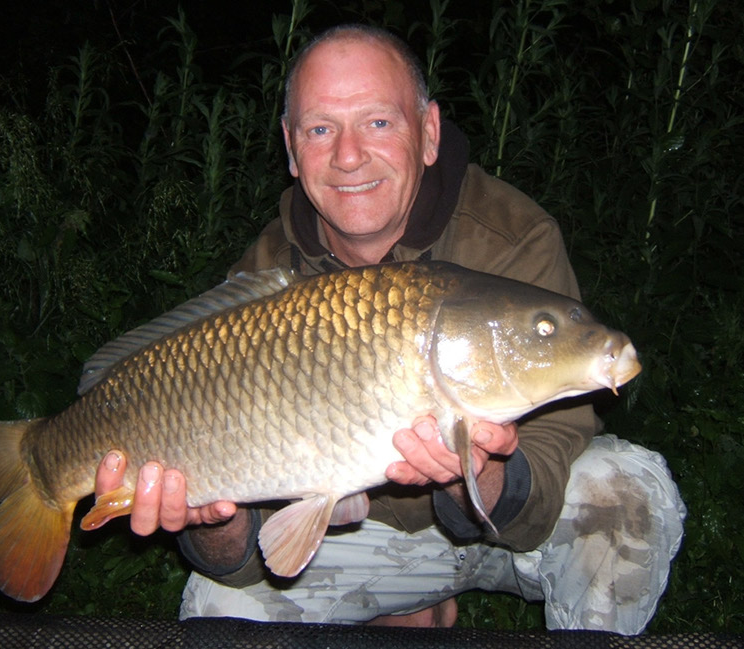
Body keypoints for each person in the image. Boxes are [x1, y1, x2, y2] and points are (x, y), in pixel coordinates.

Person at [94, 25, 685, 633]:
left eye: (378, 122)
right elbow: (243, 562)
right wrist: (212, 520)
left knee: (628, 496)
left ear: (429, 132)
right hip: (358, 538)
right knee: (222, 610)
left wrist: (475, 475)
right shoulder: (260, 284)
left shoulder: (512, 238)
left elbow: (549, 469)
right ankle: (409, 605)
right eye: (321, 129)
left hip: (510, 528)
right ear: (292, 150)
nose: (348, 156)